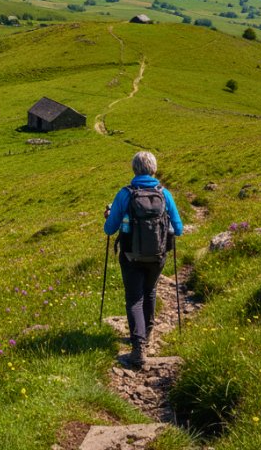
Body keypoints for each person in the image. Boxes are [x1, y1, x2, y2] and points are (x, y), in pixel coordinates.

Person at [103, 151, 183, 367]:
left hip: (130, 255)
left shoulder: (125, 194)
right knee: (150, 291)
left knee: (134, 298)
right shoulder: (164, 194)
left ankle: (138, 348)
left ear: (134, 169)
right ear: (154, 169)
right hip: (157, 255)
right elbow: (179, 228)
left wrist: (110, 216)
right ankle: (146, 335)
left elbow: (109, 229)